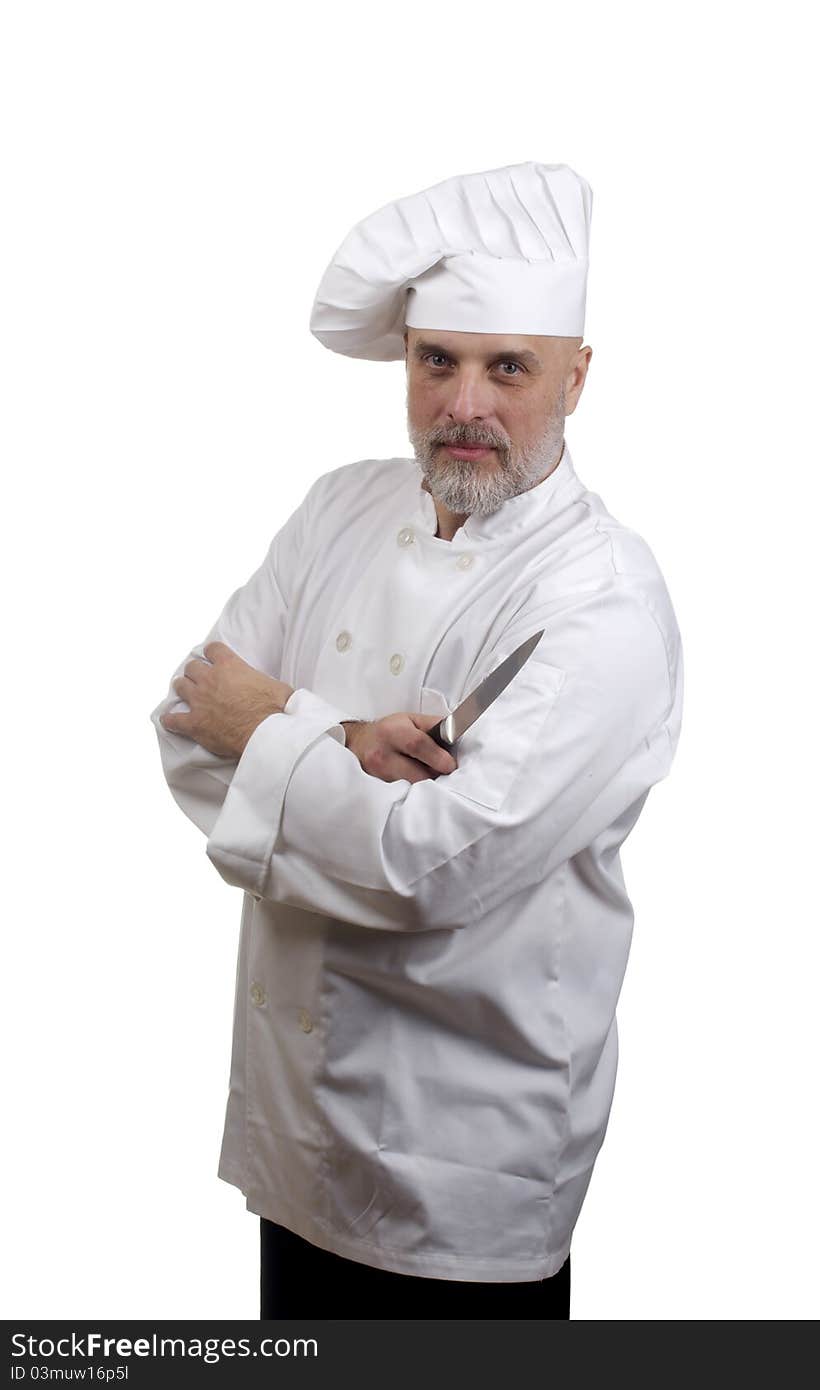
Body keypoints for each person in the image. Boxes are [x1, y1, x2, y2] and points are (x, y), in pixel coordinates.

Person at [149, 160, 684, 1320]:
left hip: (463, 1174)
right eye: (436, 360)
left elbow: (433, 865)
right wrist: (334, 735)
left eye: (508, 368)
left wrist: (271, 725)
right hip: (297, 1135)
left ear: (576, 378)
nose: (464, 404)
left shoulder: (598, 600)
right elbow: (190, 723)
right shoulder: (339, 506)